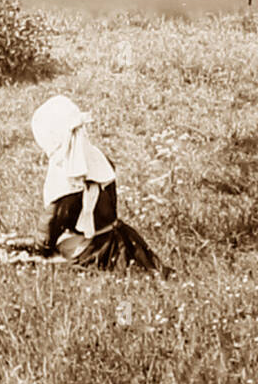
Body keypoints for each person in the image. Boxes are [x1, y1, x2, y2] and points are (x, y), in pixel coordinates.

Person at [31, 94, 166, 272]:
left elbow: (51, 224)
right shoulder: (97, 158)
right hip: (116, 237)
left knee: (54, 258)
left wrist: (38, 250)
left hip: (92, 247)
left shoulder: (67, 176)